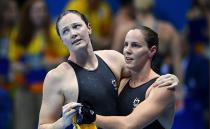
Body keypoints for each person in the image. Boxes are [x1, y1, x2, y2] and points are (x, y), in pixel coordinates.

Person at [38, 10, 178, 129]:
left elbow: (143, 73)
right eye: (65, 31)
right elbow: (43, 125)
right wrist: (60, 124)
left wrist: (169, 78)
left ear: (89, 28)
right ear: (62, 40)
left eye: (76, 26)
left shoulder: (113, 59)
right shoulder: (57, 77)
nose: (73, 33)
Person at [9, 0, 68, 129]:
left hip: (48, 91)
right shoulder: (19, 33)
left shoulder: (54, 31)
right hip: (25, 89)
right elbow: (12, 63)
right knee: (24, 125)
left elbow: (66, 59)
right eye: (36, 11)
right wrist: (19, 67)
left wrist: (50, 62)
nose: (41, 14)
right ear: (28, 13)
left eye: (43, 10)